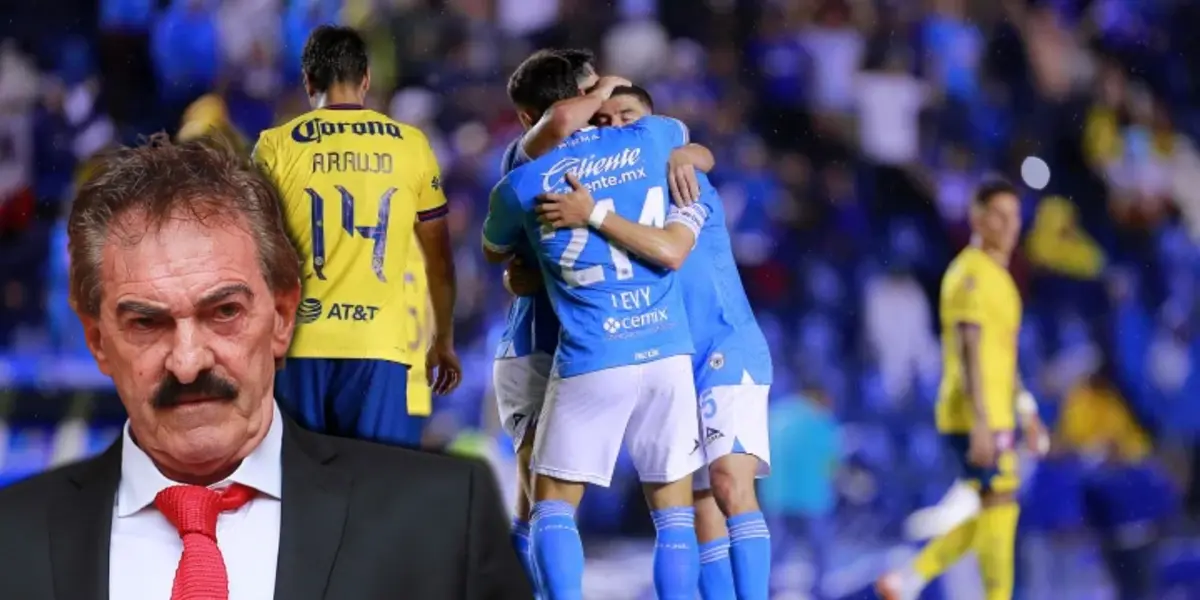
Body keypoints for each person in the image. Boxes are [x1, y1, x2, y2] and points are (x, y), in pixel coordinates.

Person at [0, 135, 530, 600]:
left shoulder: (440, 524)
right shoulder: (12, 542)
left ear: (282, 317)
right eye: (147, 323)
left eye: (223, 312)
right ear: (97, 340)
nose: (188, 363)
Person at [536, 85, 774, 600]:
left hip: (725, 343)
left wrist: (687, 154)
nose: (615, 126)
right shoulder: (606, 192)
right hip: (669, 352)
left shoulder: (679, 176)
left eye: (628, 115)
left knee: (731, 486)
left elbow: (671, 248)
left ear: (654, 122)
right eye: (603, 119)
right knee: (699, 507)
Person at [483, 59, 703, 600]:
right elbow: (682, 136)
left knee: (547, 500)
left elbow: (498, 257)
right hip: (664, 348)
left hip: (589, 350)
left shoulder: (520, 181)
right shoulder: (653, 139)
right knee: (674, 511)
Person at [252, 25, 461, 449]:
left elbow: (252, 254)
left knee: (302, 489)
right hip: (380, 345)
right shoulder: (412, 145)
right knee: (372, 489)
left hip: (298, 345)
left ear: (308, 82)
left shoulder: (274, 146)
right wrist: (443, 341)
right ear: (366, 78)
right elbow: (438, 257)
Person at [877, 179, 1047, 600]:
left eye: (1015, 217)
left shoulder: (1001, 278)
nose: (1010, 226)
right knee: (1001, 503)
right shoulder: (970, 273)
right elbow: (971, 352)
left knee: (997, 508)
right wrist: (982, 423)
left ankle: (910, 577)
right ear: (978, 218)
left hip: (998, 414)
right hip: (972, 414)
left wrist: (1027, 411)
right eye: (1000, 216)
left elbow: (1005, 358)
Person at [493, 47, 600, 596]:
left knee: (538, 495)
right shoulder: (525, 160)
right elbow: (519, 274)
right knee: (541, 487)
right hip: (533, 345)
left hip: (581, 348)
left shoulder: (605, 161)